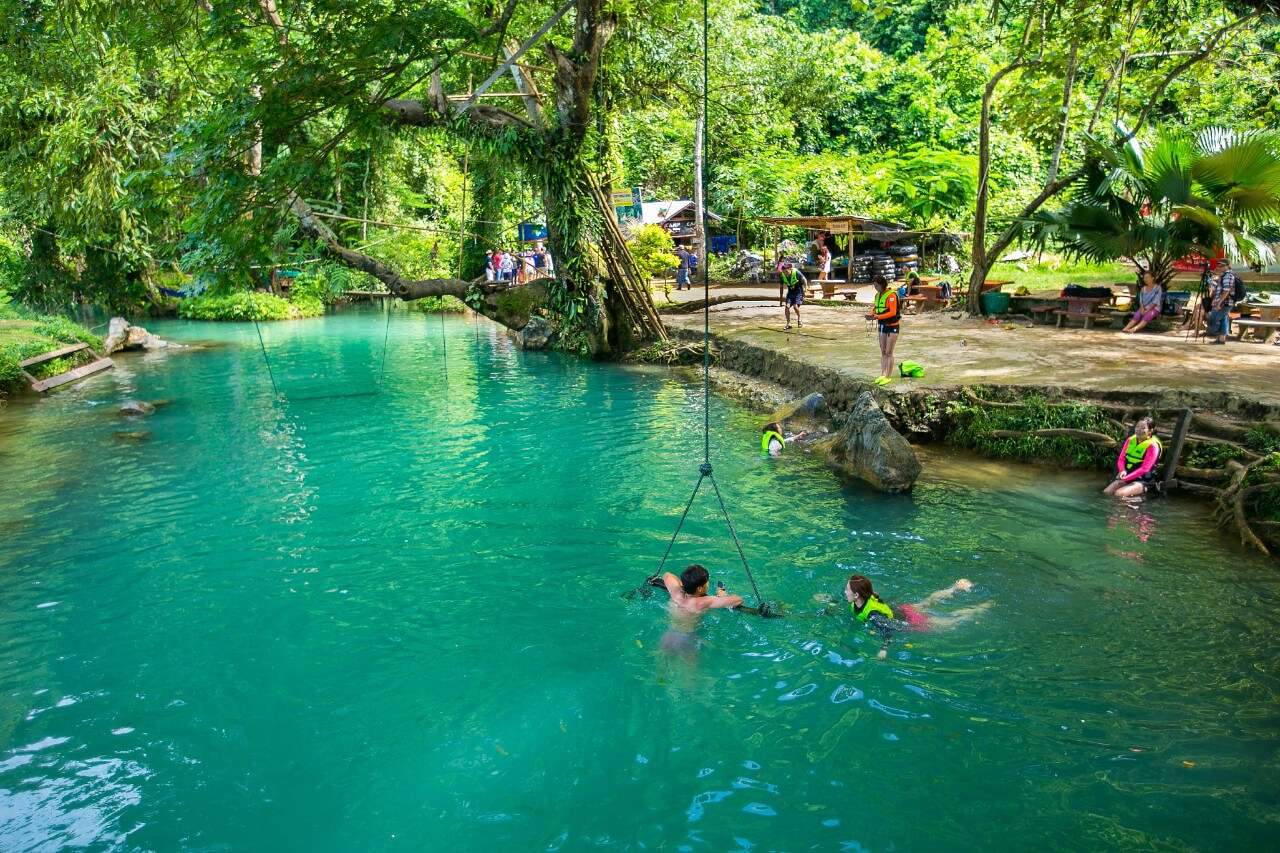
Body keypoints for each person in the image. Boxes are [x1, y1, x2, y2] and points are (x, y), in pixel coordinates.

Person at [844, 574, 989, 660]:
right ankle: (956, 587)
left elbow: (887, 631)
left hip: (910, 620)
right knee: (926, 602)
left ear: (856, 595)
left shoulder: (873, 615)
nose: (845, 592)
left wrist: (884, 649)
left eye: (847, 590)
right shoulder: (865, 597)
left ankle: (982, 608)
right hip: (903, 609)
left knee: (948, 622)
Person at [659, 564, 744, 657]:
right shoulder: (701, 602)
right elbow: (738, 600)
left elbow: (667, 575)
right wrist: (722, 595)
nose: (708, 584)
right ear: (699, 588)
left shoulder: (676, 593)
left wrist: (684, 586)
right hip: (687, 639)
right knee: (688, 670)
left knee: (662, 665)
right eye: (707, 582)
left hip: (668, 636)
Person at [1104, 416, 1162, 498]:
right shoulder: (1130, 440)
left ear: (1150, 431)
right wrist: (1122, 470)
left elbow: (1145, 469)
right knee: (1107, 492)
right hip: (1128, 476)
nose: (1139, 430)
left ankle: (1133, 507)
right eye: (1137, 426)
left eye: (1143, 428)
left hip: (1144, 479)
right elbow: (1121, 459)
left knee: (1119, 494)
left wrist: (1126, 478)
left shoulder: (1153, 446)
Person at [866, 274, 899, 386]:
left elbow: (892, 312)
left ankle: (888, 376)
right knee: (883, 351)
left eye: (877, 285)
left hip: (892, 326)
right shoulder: (877, 296)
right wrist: (871, 314)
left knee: (889, 352)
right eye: (874, 286)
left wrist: (877, 317)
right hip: (882, 326)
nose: (875, 288)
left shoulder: (891, 295)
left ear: (882, 284)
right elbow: (875, 308)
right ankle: (882, 374)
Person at [1207, 259, 1235, 344]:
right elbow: (1218, 290)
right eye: (1219, 265)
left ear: (1227, 266)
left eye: (1222, 265)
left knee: (1213, 318)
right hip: (1222, 302)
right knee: (1223, 319)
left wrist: (1219, 303)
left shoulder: (1228, 275)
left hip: (1224, 303)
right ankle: (1221, 339)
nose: (1219, 267)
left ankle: (1215, 333)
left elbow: (1226, 291)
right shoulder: (1223, 275)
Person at [778, 262, 807, 330]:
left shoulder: (797, 273)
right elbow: (781, 287)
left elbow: (804, 280)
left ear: (790, 269)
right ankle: (788, 323)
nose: (786, 273)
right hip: (790, 293)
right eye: (784, 272)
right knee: (787, 307)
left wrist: (805, 289)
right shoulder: (782, 276)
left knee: (795, 306)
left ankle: (799, 320)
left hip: (798, 292)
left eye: (786, 271)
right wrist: (781, 297)